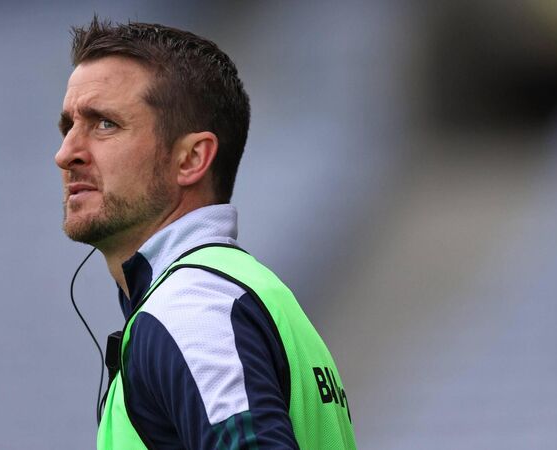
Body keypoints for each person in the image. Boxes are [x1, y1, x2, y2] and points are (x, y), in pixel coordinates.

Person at [55, 17, 356, 450]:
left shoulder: (192, 308)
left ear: (192, 159)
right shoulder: (243, 292)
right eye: (68, 126)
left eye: (104, 124)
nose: (66, 153)